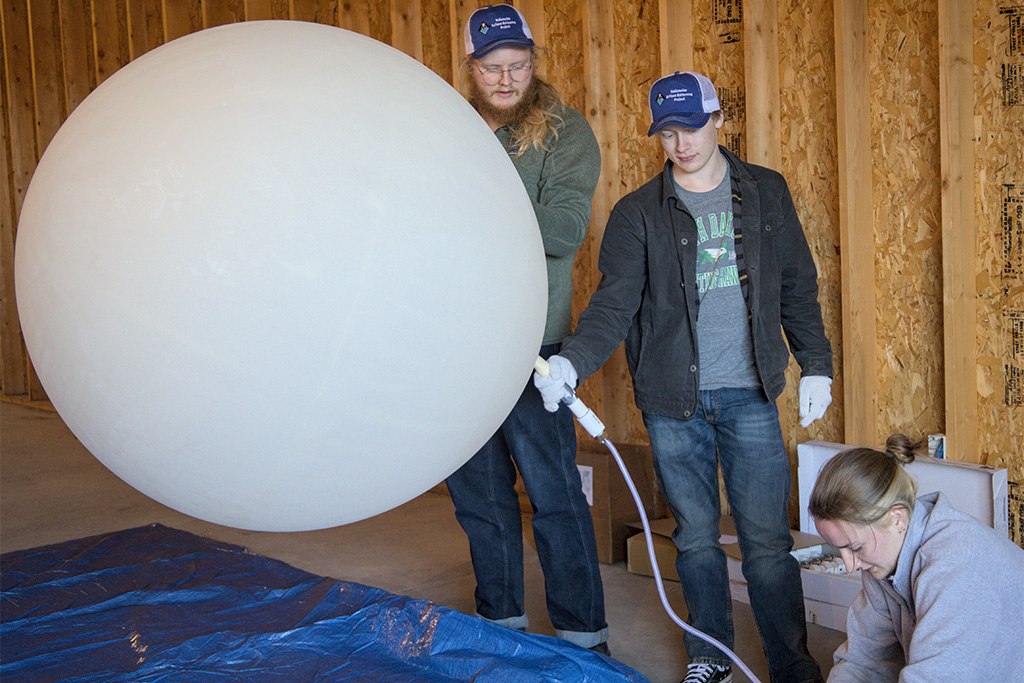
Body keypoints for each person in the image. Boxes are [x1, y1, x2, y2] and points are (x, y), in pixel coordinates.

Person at [534, 71, 832, 683]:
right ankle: (710, 658)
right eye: (668, 132)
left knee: (767, 544)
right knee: (695, 539)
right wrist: (572, 361)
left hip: (750, 393)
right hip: (673, 402)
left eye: (692, 127)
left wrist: (817, 365)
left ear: (718, 120)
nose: (681, 143)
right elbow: (613, 305)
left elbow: (797, 285)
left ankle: (792, 666)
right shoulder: (638, 214)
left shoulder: (767, 192)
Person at [444, 4, 608, 654]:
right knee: (480, 497)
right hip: (457, 345)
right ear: (471, 68)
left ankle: (584, 636)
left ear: (533, 63)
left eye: (517, 65)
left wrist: (477, 189)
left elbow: (563, 230)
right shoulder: (447, 128)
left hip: (532, 346)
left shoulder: (565, 133)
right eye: (492, 68)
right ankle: (499, 627)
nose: (506, 79)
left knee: (554, 493)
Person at [809, 434, 1024, 682]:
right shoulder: (882, 564)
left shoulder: (954, 569)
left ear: (897, 518)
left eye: (856, 547)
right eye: (840, 550)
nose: (850, 565)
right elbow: (864, 662)